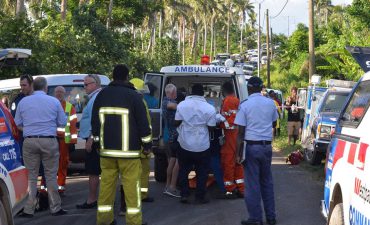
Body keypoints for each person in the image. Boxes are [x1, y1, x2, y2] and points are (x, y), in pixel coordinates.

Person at [92, 64, 152, 225]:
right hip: (129, 154)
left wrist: (98, 144)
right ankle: (134, 222)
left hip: (107, 153)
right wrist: (147, 145)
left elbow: (95, 123)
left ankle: (104, 220)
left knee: (106, 187)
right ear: (127, 77)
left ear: (112, 76)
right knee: (132, 189)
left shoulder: (102, 95)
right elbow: (143, 124)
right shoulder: (133, 96)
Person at [15, 77, 67, 217]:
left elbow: (17, 123)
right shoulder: (54, 101)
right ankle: (55, 208)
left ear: (33, 86)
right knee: (50, 175)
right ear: (45, 87)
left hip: (29, 141)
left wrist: (29, 129)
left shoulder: (23, 102)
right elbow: (62, 122)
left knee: (31, 177)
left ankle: (28, 209)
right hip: (49, 141)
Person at [235, 76, 278, 225]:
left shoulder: (245, 105)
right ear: (261, 88)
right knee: (267, 182)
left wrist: (238, 153)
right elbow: (273, 122)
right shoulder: (270, 103)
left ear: (249, 88)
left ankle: (255, 218)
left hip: (251, 148)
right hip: (267, 147)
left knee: (252, 184)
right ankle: (271, 217)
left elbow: (240, 132)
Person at [175, 84, 217, 204]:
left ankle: (184, 194)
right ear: (202, 94)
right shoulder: (209, 108)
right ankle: (200, 196)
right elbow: (211, 127)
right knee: (202, 172)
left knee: (183, 170)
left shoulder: (182, 105)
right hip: (202, 145)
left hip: (184, 144)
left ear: (191, 93)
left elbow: (176, 122)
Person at [76, 74, 102, 209]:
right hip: (93, 137)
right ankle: (96, 199)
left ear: (96, 83)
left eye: (87, 84)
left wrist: (91, 138)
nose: (84, 87)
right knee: (95, 171)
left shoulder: (96, 98)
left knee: (93, 171)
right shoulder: (94, 97)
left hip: (93, 139)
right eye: (84, 84)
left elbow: (96, 120)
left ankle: (92, 200)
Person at [219, 81, 244, 198]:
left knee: (228, 163)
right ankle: (241, 189)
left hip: (230, 136)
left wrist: (219, 123)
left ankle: (230, 189)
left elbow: (227, 122)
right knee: (238, 162)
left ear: (223, 91)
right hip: (237, 135)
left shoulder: (227, 101)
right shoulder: (238, 101)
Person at [54, 86, 78, 193]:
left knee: (62, 164)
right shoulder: (51, 105)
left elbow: (73, 126)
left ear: (64, 94)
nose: (59, 94)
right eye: (57, 92)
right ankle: (48, 189)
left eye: (61, 92)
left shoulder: (69, 107)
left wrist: (72, 142)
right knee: (50, 164)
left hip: (64, 140)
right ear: (54, 93)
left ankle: (60, 188)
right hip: (52, 138)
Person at [162, 83, 181, 198]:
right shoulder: (167, 102)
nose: (176, 94)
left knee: (172, 161)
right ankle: (172, 187)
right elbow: (172, 106)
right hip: (175, 136)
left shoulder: (166, 101)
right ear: (172, 93)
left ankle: (168, 186)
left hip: (170, 136)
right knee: (177, 162)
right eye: (175, 92)